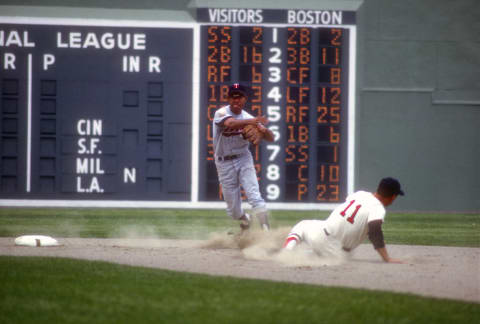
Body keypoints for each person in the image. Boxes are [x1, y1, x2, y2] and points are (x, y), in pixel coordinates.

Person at [283, 177, 405, 263]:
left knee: (303, 225)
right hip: (341, 255)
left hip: (321, 237)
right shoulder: (378, 209)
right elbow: (375, 232)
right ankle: (306, 255)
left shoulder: (360, 194)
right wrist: (387, 258)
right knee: (323, 252)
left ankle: (287, 251)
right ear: (393, 196)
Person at [212, 83, 274, 231]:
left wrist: (262, 131)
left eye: (239, 97)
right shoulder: (220, 113)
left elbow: (271, 138)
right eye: (233, 97)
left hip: (243, 158)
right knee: (233, 211)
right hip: (223, 162)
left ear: (245, 99)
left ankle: (267, 232)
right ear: (228, 99)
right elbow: (231, 123)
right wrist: (253, 122)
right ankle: (246, 219)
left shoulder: (249, 118)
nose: (236, 100)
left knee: (254, 195)